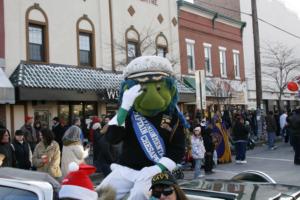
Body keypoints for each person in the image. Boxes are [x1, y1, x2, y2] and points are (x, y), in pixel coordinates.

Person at [96, 56, 186, 199]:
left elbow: (178, 148)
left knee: (140, 195)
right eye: (143, 89)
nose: (152, 96)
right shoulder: (127, 114)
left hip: (156, 171)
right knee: (101, 194)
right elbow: (112, 138)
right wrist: (124, 107)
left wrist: (158, 168)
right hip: (126, 169)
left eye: (158, 88)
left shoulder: (173, 117)